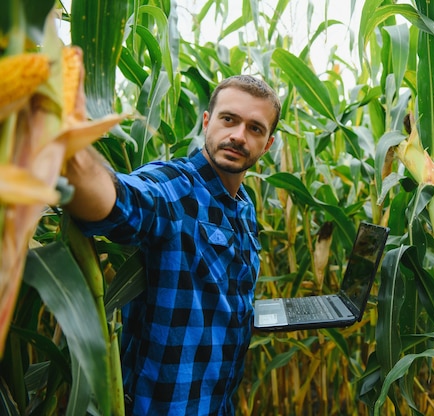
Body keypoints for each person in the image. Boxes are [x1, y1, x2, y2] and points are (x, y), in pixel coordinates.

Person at [64, 75, 281, 415]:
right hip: (166, 405)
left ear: (267, 144)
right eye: (229, 119)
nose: (238, 136)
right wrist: (63, 150)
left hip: (217, 402)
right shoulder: (175, 186)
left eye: (255, 128)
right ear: (207, 122)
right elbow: (123, 202)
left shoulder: (244, 207)